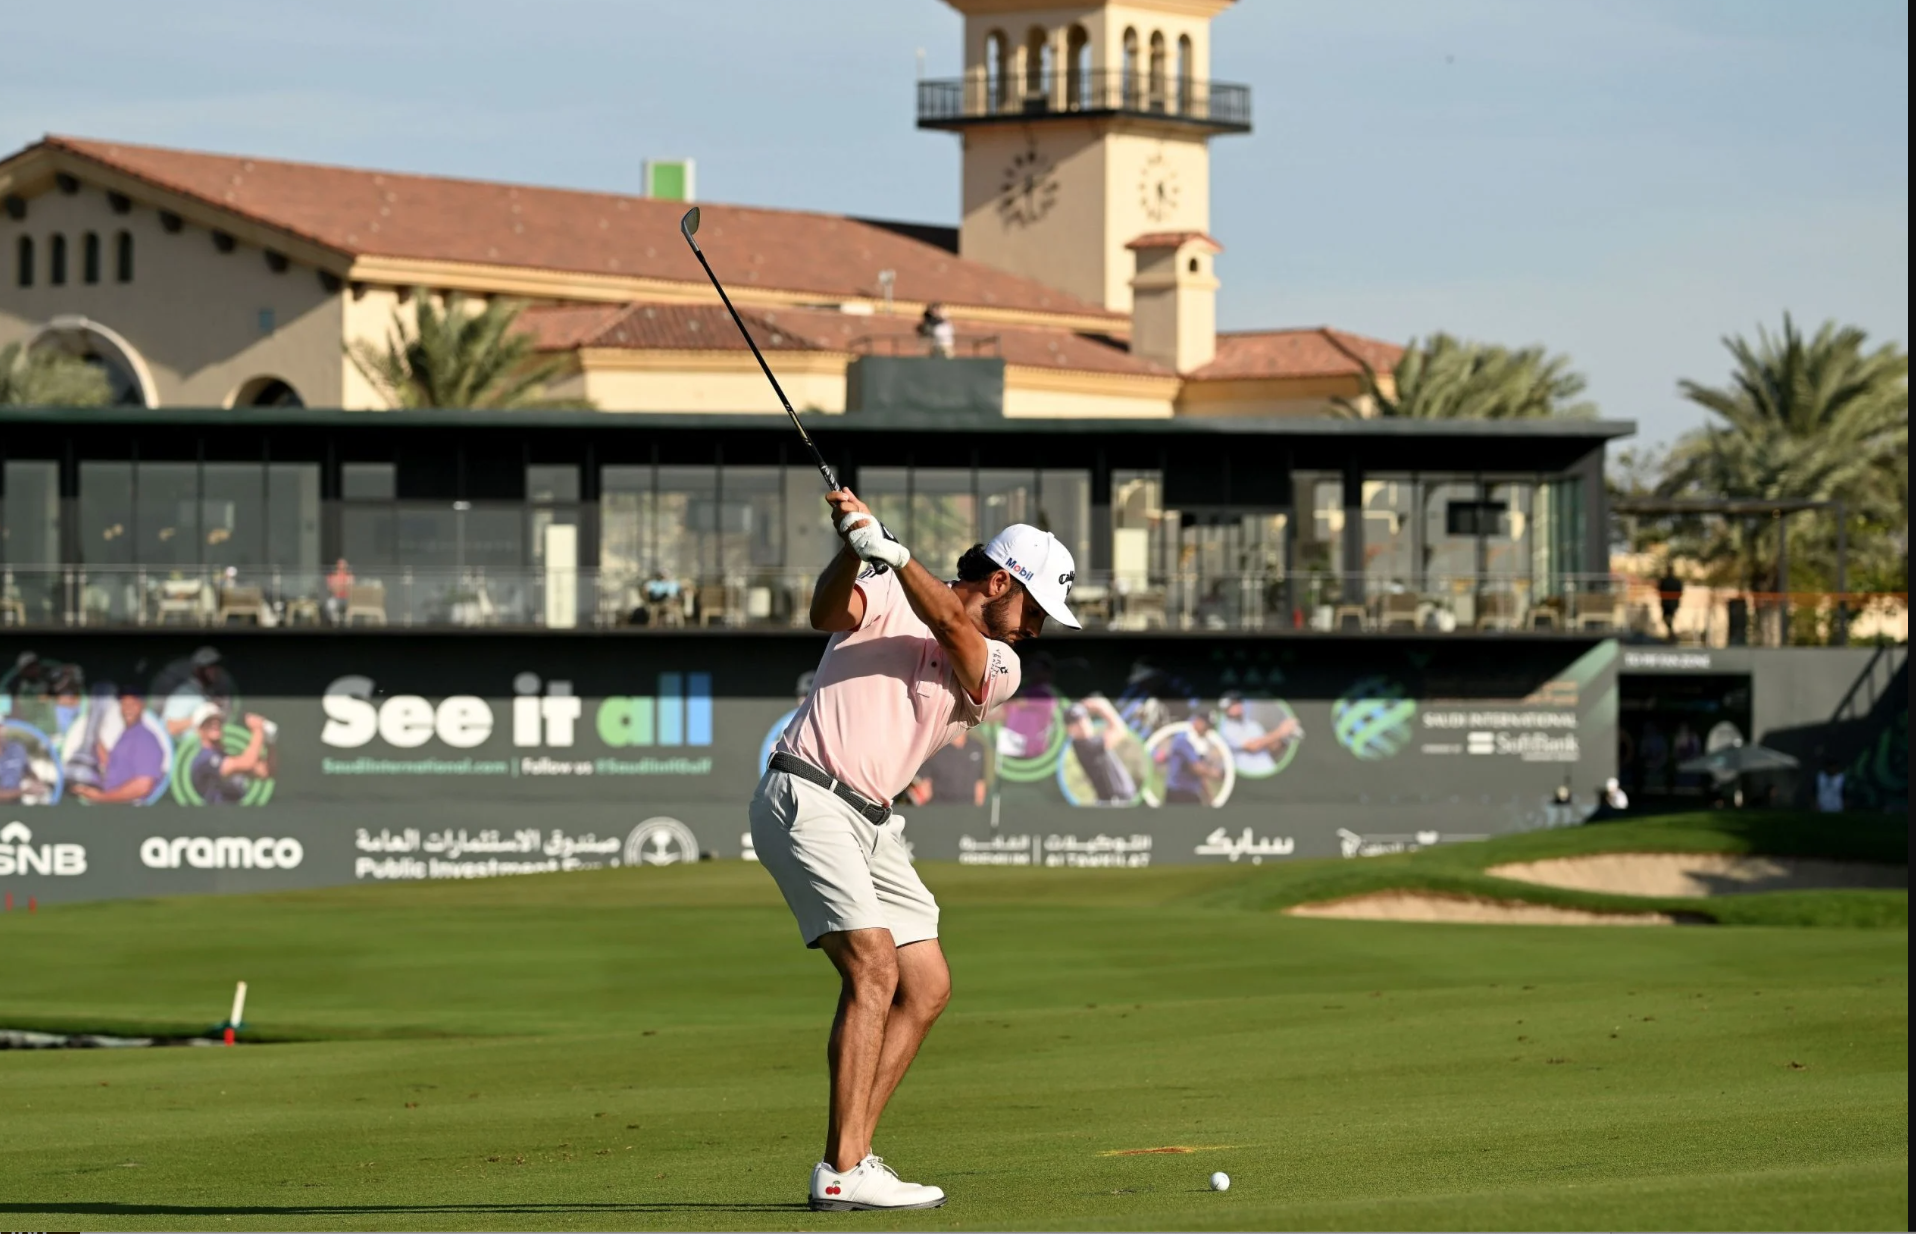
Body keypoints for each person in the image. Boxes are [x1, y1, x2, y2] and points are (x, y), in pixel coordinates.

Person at [749, 489, 1077, 1212]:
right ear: (1002, 582)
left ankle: (854, 1156)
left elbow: (952, 628)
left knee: (925, 984)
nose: (1036, 632)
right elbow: (827, 613)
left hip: (873, 823)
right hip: (807, 793)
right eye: (1036, 611)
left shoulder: (1000, 664)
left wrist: (895, 553)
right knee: (872, 964)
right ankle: (843, 1169)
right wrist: (854, 548)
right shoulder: (887, 590)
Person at [71, 693, 165, 804]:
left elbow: (143, 786)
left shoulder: (145, 738)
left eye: (133, 704)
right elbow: (111, 764)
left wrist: (102, 798)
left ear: (142, 706)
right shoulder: (127, 735)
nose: (127, 709)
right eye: (124, 704)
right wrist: (94, 737)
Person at [188, 705, 270, 805]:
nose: (215, 724)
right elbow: (248, 763)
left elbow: (264, 772)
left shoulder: (224, 757)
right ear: (199, 730)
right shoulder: (204, 759)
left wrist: (271, 742)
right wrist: (257, 730)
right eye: (208, 722)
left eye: (218, 721)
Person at [1064, 697, 1138, 805]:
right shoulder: (1085, 746)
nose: (1082, 724)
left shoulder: (1088, 742)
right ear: (1069, 729)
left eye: (1083, 718)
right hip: (1113, 803)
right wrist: (1104, 707)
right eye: (1075, 722)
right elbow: (1119, 730)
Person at [1214, 691, 1301, 777]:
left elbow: (1270, 748)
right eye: (1234, 704)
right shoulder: (1226, 730)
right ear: (1226, 708)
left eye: (1239, 702)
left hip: (1269, 771)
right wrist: (1281, 731)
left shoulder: (1253, 725)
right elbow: (1253, 746)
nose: (1239, 706)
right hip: (1251, 779)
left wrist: (1286, 739)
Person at [1157, 710, 1226, 805]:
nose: (1208, 730)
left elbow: (1200, 776)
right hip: (1177, 793)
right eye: (1206, 726)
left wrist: (1210, 798)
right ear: (1198, 721)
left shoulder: (1201, 744)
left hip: (1191, 794)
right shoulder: (1182, 740)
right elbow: (1195, 768)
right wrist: (1217, 774)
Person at [910, 727, 986, 807]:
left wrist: (977, 811)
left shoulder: (977, 747)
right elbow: (923, 785)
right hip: (940, 808)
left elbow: (980, 782)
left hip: (968, 808)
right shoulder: (935, 748)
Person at [1656, 565, 1684, 642]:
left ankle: (1671, 634)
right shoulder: (1673, 581)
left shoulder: (1666, 581)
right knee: (1668, 618)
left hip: (1668, 603)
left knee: (1668, 618)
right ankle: (1671, 634)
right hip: (1671, 603)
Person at [325, 558, 355, 624]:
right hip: (336, 598)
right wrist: (343, 586)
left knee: (351, 608)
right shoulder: (332, 576)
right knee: (330, 605)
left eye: (344, 566)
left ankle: (347, 623)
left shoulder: (350, 576)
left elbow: (351, 589)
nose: (342, 567)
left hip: (347, 599)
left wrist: (340, 586)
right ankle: (335, 623)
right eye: (340, 565)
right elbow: (332, 589)